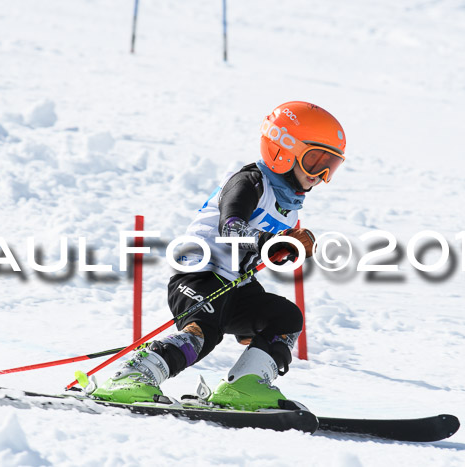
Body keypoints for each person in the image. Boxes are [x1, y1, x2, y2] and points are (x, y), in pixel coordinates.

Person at [81, 101, 347, 410]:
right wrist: (273, 243)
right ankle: (134, 374)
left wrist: (289, 248)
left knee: (286, 318)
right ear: (283, 149)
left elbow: (265, 253)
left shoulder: (290, 206)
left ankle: (245, 385)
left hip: (235, 287)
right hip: (199, 274)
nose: (321, 174)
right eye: (315, 161)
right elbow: (230, 229)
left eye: (331, 166)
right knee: (203, 336)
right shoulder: (250, 182)